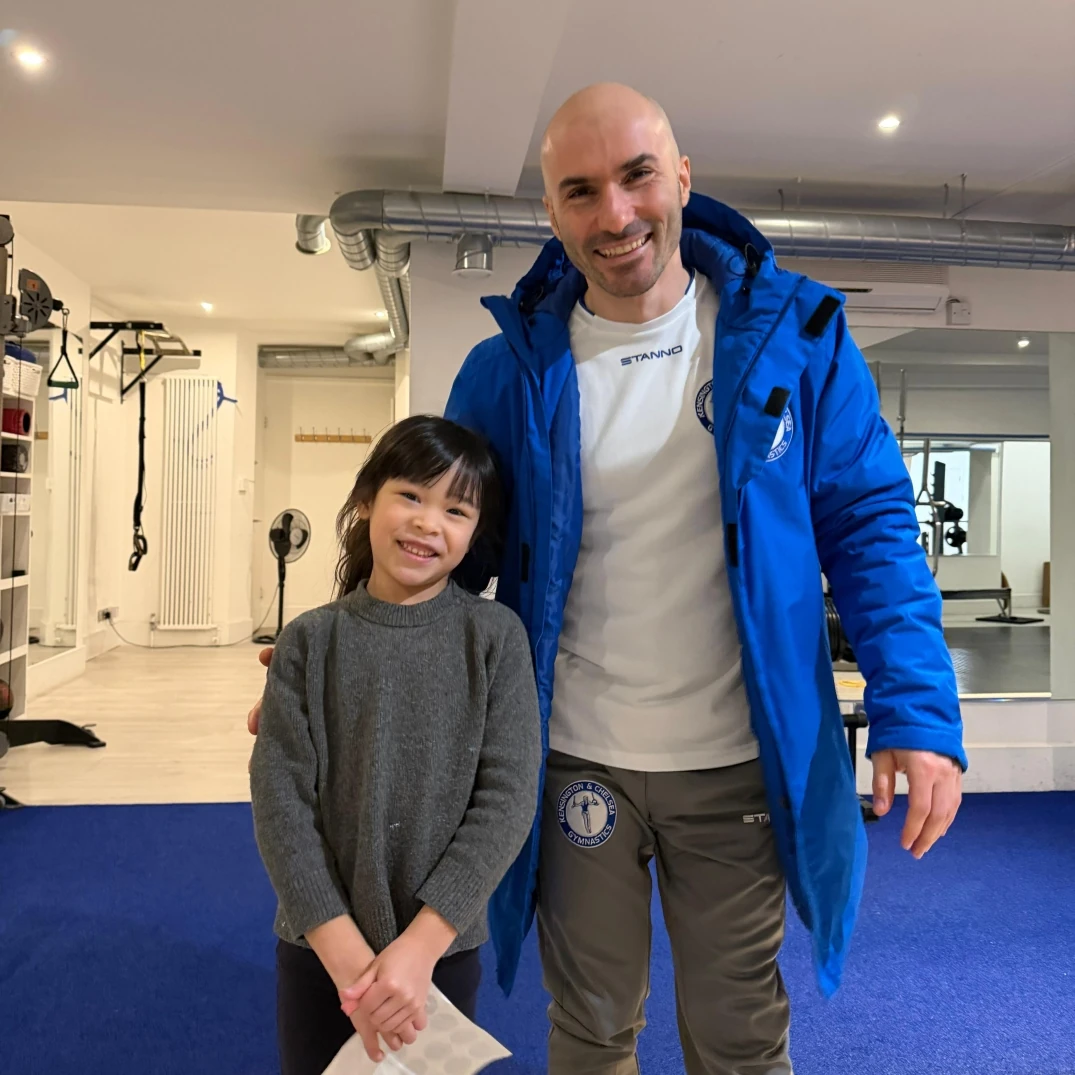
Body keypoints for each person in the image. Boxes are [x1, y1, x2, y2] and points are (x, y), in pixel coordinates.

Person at [252, 83, 967, 1075]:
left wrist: (917, 711)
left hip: (736, 765)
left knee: (739, 1032)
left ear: (681, 177)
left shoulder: (792, 343)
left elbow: (872, 525)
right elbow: (443, 557)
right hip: (574, 760)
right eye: (580, 191)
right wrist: (326, 667)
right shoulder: (506, 373)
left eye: (637, 177)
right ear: (550, 211)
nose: (616, 214)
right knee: (589, 1029)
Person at [248, 414, 541, 1075]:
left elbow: (507, 799)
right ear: (365, 500)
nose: (427, 522)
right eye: (409, 495)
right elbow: (281, 804)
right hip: (317, 944)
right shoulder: (308, 639)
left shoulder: (495, 638)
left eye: (456, 509)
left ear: (475, 533)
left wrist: (418, 948)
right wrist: (348, 959)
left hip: (440, 949)